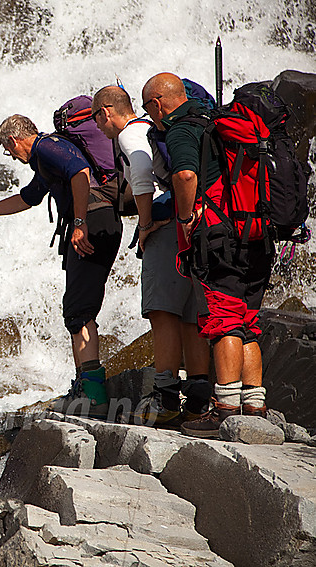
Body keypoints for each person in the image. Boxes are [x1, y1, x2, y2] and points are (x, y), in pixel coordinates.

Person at [0, 114, 122, 418]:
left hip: (92, 220)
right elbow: (28, 199)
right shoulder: (45, 160)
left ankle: (94, 395)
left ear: (13, 140)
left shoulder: (47, 148)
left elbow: (80, 173)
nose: (12, 157)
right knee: (75, 308)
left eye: (8, 150)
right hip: (90, 221)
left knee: (81, 308)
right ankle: (83, 388)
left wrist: (80, 223)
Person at [141, 73, 274, 437]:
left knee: (225, 320)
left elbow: (185, 175)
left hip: (220, 236)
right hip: (257, 232)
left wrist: (184, 219)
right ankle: (254, 404)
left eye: (147, 107)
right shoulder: (219, 121)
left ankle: (226, 407)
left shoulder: (183, 128)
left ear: (157, 103)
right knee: (247, 320)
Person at [91, 86, 211, 427]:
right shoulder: (153, 127)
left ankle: (166, 396)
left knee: (161, 311)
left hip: (165, 225)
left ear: (107, 113)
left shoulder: (130, 136)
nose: (99, 129)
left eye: (97, 120)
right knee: (190, 314)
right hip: (192, 217)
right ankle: (199, 396)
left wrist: (144, 226)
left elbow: (143, 180)